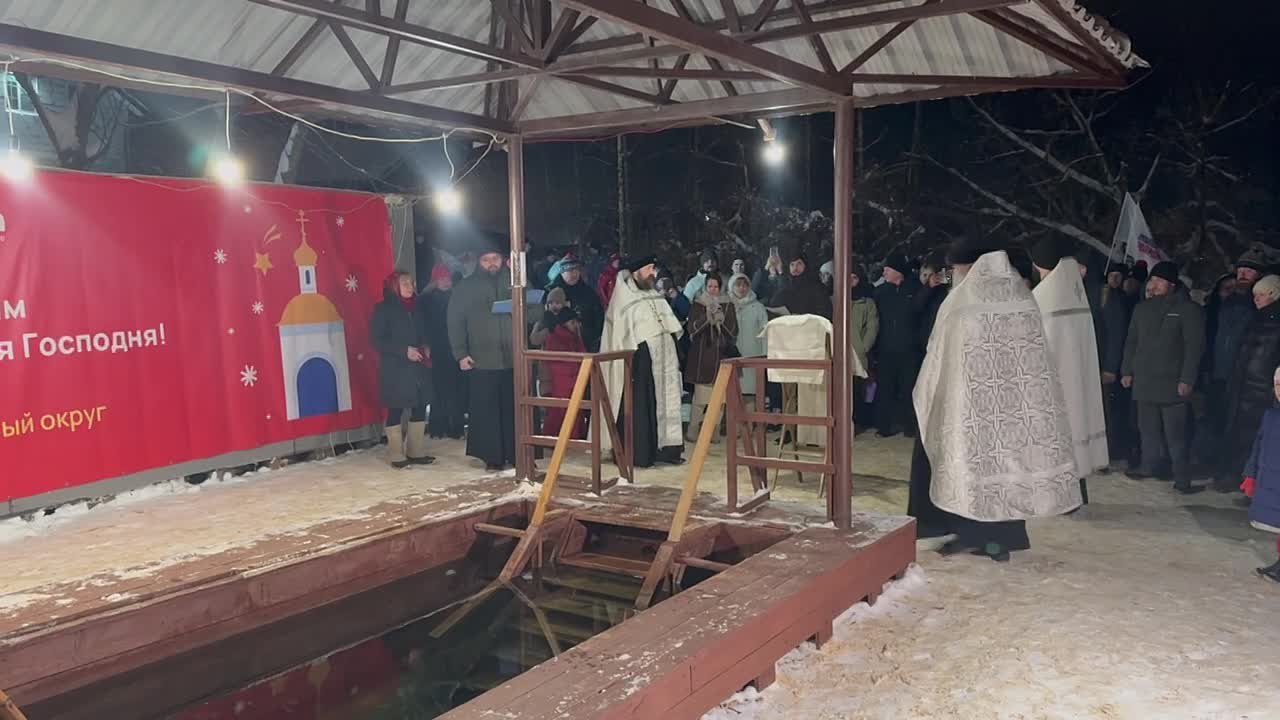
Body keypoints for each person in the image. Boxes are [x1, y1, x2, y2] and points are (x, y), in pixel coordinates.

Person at [911, 237, 1081, 560]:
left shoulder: (962, 299)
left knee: (973, 471)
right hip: (1013, 407)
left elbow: (939, 354)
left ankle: (973, 535)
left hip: (971, 407)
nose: (954, 273)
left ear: (970, 265)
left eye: (957, 267)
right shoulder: (1021, 295)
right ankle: (1001, 540)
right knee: (1007, 470)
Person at [1032, 239, 1110, 503]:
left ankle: (1059, 497)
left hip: (1053, 385)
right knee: (1075, 431)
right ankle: (1077, 493)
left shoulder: (1043, 298)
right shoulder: (1073, 292)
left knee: (1057, 437)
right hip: (1078, 382)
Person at [1121, 261, 1205, 493]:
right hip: (1145, 381)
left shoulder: (1188, 310)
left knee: (1176, 435)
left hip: (1172, 383)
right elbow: (1131, 342)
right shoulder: (1142, 309)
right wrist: (1126, 370)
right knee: (1147, 430)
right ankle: (1148, 466)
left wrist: (1187, 379)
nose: (1154, 284)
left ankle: (1182, 477)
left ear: (1172, 284)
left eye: (1160, 281)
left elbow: (1194, 348)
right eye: (1153, 280)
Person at [600, 256, 686, 467]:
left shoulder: (653, 294)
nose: (653, 273)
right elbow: (620, 335)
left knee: (665, 401)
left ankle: (666, 449)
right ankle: (640, 453)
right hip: (640, 364)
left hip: (663, 360)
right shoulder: (624, 298)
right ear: (636, 271)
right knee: (641, 404)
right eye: (649, 269)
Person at [448, 239, 516, 471]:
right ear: (479, 262)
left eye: (495, 258)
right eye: (486, 260)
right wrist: (460, 353)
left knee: (515, 408)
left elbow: (535, 312)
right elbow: (455, 322)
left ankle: (518, 453)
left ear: (503, 259)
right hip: (482, 358)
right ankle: (491, 456)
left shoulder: (517, 282)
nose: (491, 263)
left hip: (514, 358)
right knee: (487, 411)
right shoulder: (465, 288)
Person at [1219, 276, 1280, 491]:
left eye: (1261, 294)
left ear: (1274, 294)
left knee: (1256, 441)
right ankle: (1237, 478)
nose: (1256, 299)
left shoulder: (1274, 323)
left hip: (1263, 392)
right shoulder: (1255, 319)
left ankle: (1251, 484)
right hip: (1244, 389)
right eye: (1255, 295)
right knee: (1239, 437)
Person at [370, 272, 435, 468]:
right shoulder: (383, 309)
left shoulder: (418, 307)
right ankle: (396, 453)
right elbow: (376, 341)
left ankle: (415, 451)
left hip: (418, 366)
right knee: (395, 409)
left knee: (420, 405)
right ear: (394, 286)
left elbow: (424, 332)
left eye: (411, 282)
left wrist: (426, 345)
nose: (410, 286)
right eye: (404, 283)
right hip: (396, 369)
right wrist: (403, 351)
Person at [685, 275, 739, 441]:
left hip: (722, 356)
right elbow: (692, 329)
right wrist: (707, 318)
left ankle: (714, 431)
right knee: (701, 399)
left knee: (720, 399)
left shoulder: (728, 304)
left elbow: (734, 331)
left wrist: (722, 320)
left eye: (716, 287)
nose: (713, 290)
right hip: (703, 357)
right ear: (705, 287)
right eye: (710, 286)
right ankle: (693, 429)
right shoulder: (698, 304)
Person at [873, 253, 921, 437]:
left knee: (909, 388)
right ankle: (884, 427)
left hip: (910, 349)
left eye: (888, 269)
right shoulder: (880, 292)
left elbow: (946, 280)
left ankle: (910, 427)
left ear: (899, 271)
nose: (884, 272)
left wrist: (938, 275)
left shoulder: (915, 287)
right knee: (885, 389)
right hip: (886, 350)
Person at [1240, 366, 1280, 582]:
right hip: (1271, 478)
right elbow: (1258, 445)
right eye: (1277, 385)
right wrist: (1251, 474)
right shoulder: (1271, 415)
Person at [422, 264, 466, 439]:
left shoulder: (456, 297)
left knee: (456, 388)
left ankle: (456, 426)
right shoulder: (425, 300)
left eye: (447, 278)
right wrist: (426, 344)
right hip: (437, 348)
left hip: (454, 347)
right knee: (439, 389)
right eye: (442, 278)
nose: (446, 281)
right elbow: (423, 324)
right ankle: (438, 426)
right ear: (435, 280)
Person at [1099, 262, 1135, 464]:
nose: (1114, 279)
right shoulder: (1104, 296)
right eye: (1111, 275)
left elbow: (1117, 335)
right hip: (1108, 362)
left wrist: (1111, 367)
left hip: (1116, 365)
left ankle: (1113, 449)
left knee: (1112, 410)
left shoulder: (1120, 301)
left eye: (1118, 276)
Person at [539, 308, 589, 439]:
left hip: (572, 381)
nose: (576, 325)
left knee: (569, 412)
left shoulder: (573, 337)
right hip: (562, 383)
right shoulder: (554, 338)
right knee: (564, 412)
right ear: (564, 323)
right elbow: (555, 362)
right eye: (572, 322)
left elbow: (583, 354)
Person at [548, 253, 605, 352]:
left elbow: (598, 315)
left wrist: (595, 336)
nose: (574, 274)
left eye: (576, 270)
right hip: (561, 345)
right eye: (570, 270)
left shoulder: (588, 292)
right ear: (562, 273)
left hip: (586, 343)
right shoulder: (553, 293)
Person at [729, 273, 768, 410]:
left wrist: (765, 355)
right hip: (732, 355)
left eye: (745, 285)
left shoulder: (758, 307)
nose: (742, 288)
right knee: (733, 391)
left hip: (753, 354)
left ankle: (751, 422)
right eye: (738, 285)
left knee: (751, 393)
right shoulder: (727, 306)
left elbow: (765, 332)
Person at [848, 264, 880, 429]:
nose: (850, 281)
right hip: (839, 353)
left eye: (854, 277)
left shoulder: (867, 303)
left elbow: (872, 328)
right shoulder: (836, 299)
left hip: (858, 354)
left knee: (857, 389)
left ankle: (858, 422)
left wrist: (863, 347)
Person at [768, 247, 831, 319]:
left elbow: (824, 313)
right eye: (792, 264)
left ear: (805, 266)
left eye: (799, 263)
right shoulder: (786, 286)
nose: (795, 268)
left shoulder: (816, 287)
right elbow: (774, 305)